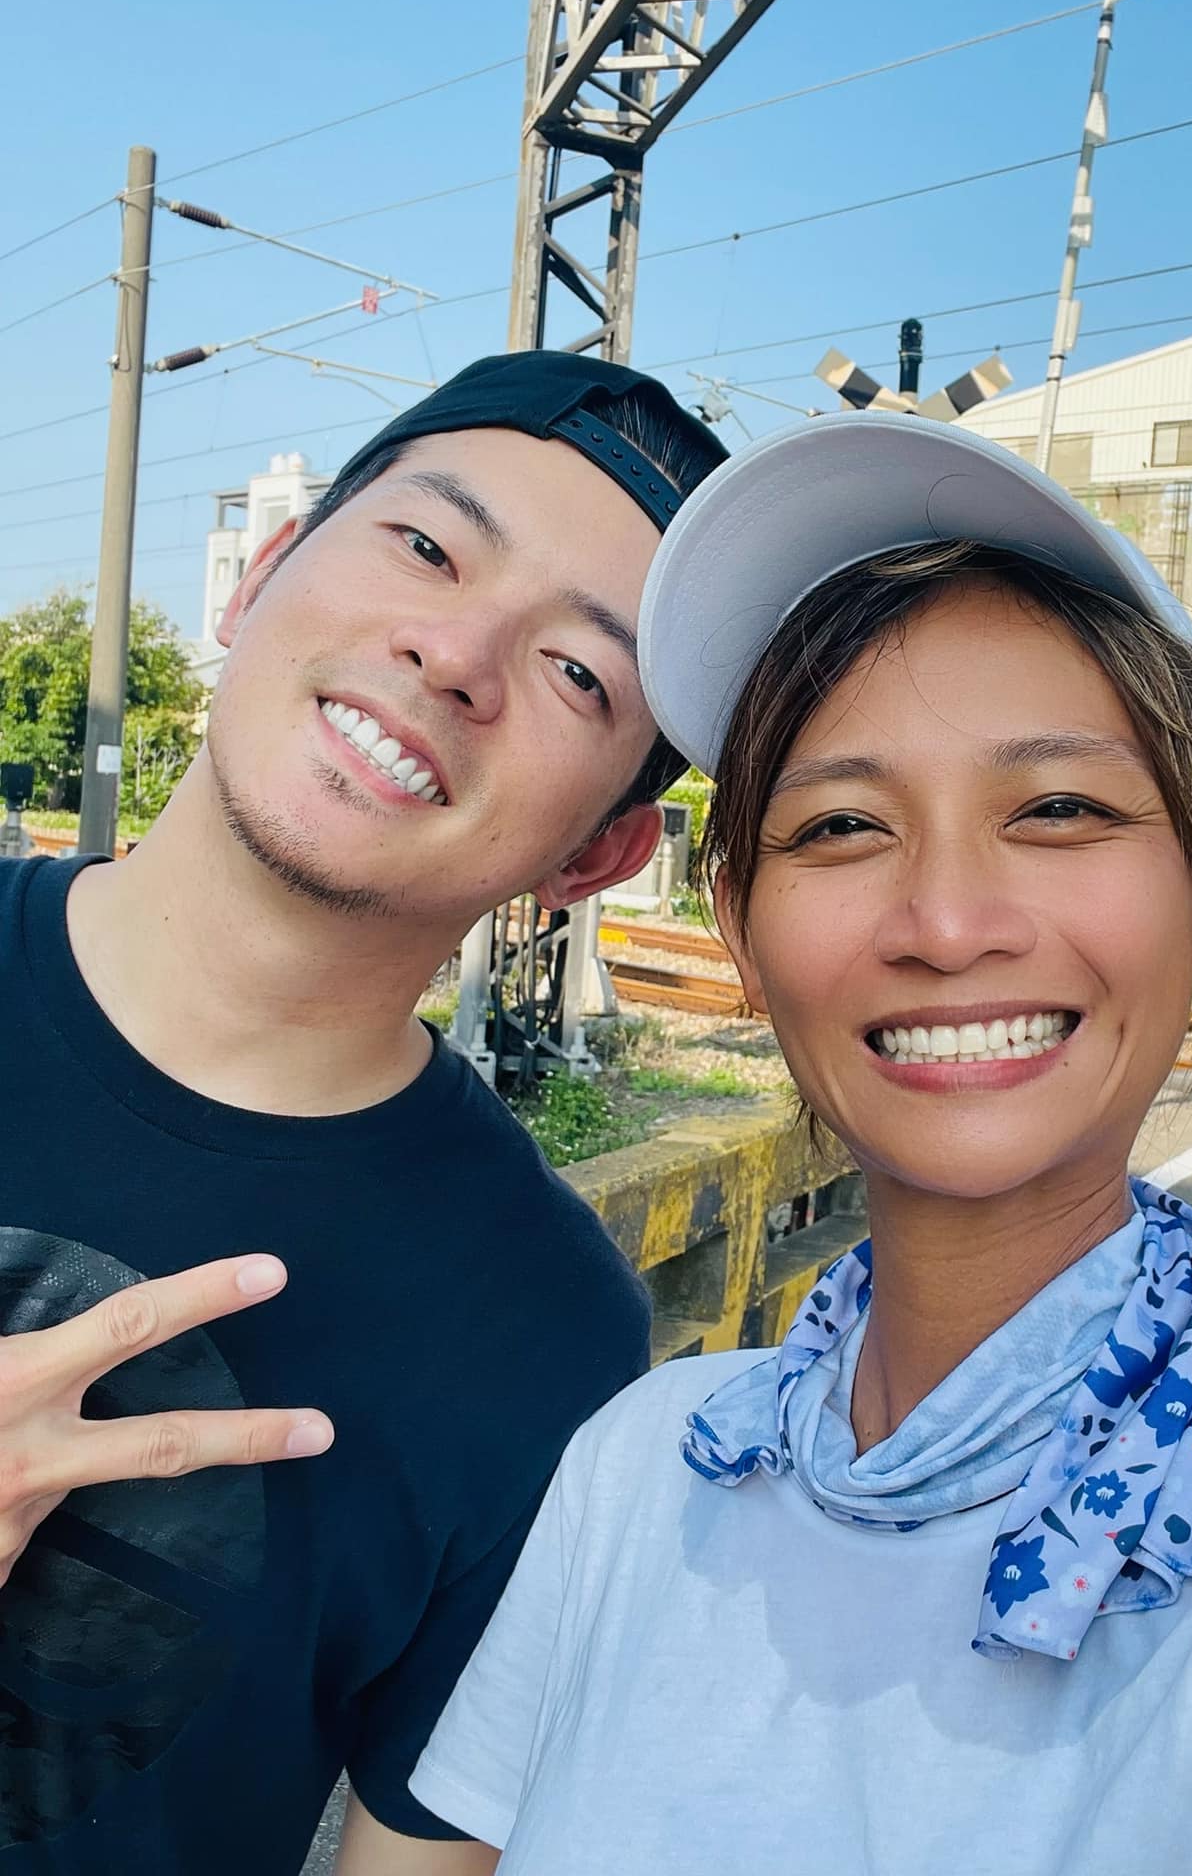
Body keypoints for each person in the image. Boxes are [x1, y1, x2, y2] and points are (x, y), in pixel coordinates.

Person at [412, 411, 1192, 1874]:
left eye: (1059, 808)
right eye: (840, 828)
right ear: (741, 927)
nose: (946, 923)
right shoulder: (644, 1469)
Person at [0, 352, 726, 1875]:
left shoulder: (548, 1340)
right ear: (262, 571)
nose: (456, 653)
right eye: (426, 545)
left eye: (577, 673)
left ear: (599, 855)